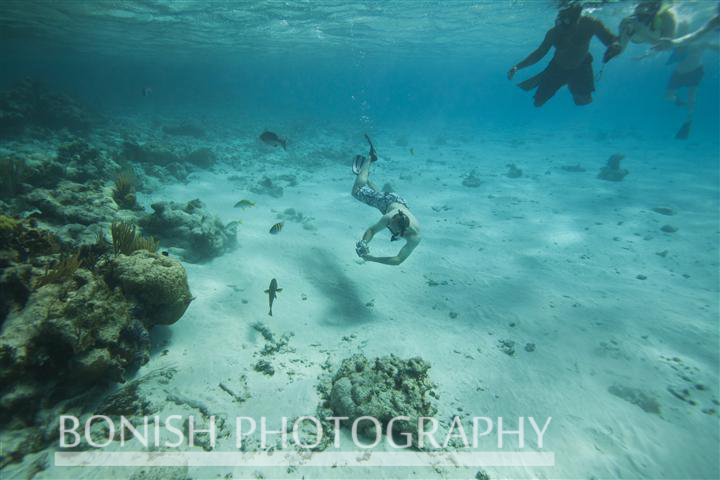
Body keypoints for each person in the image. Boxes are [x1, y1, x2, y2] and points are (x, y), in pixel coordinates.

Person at [508, 2, 621, 107]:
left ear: (577, 19)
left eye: (566, 22)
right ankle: (563, 80)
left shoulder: (590, 24)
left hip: (581, 65)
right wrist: (517, 67)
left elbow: (610, 39)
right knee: (538, 102)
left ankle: (567, 81)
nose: (561, 27)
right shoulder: (554, 32)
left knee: (583, 101)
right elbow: (539, 53)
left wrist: (614, 46)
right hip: (558, 67)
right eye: (558, 21)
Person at [351, 135, 420, 266]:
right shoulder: (390, 217)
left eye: (390, 227)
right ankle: (371, 158)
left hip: (399, 202)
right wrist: (363, 243)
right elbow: (372, 230)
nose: (388, 226)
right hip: (389, 202)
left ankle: (367, 178)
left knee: (378, 198)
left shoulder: (415, 237)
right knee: (357, 191)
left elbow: (398, 260)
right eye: (389, 225)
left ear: (403, 228)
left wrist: (371, 258)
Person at [657, 12, 720, 139]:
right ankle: (678, 101)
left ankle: (688, 123)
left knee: (692, 98)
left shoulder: (700, 42)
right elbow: (661, 48)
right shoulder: (676, 43)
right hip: (679, 73)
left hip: (695, 71)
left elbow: (714, 47)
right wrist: (645, 55)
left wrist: (710, 45)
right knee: (668, 96)